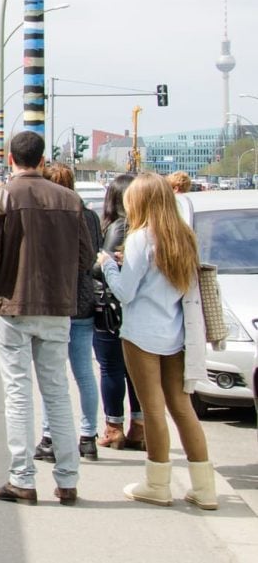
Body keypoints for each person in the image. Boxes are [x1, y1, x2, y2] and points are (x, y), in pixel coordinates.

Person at [0, 131, 93, 506]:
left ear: (11, 159)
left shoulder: (0, 197)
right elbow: (85, 260)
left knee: (18, 392)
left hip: (13, 304)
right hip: (57, 306)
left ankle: (22, 479)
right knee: (57, 391)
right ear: (43, 159)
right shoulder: (71, 200)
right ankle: (68, 479)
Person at [98, 172, 217, 510]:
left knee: (152, 410)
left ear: (141, 202)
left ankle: (157, 483)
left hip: (141, 335)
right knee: (182, 409)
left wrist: (108, 264)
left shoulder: (139, 238)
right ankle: (205, 489)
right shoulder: (184, 237)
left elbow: (125, 292)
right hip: (176, 333)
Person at [33, 163, 102, 463]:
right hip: (83, 300)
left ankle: (49, 436)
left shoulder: (49, 216)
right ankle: (88, 436)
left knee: (53, 373)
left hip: (55, 302)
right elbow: (91, 256)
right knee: (84, 371)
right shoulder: (89, 215)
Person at [92, 174, 146, 451]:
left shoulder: (118, 227)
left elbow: (103, 269)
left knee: (112, 367)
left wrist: (97, 262)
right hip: (133, 309)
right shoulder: (141, 227)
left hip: (110, 309)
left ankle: (114, 428)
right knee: (133, 371)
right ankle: (139, 427)